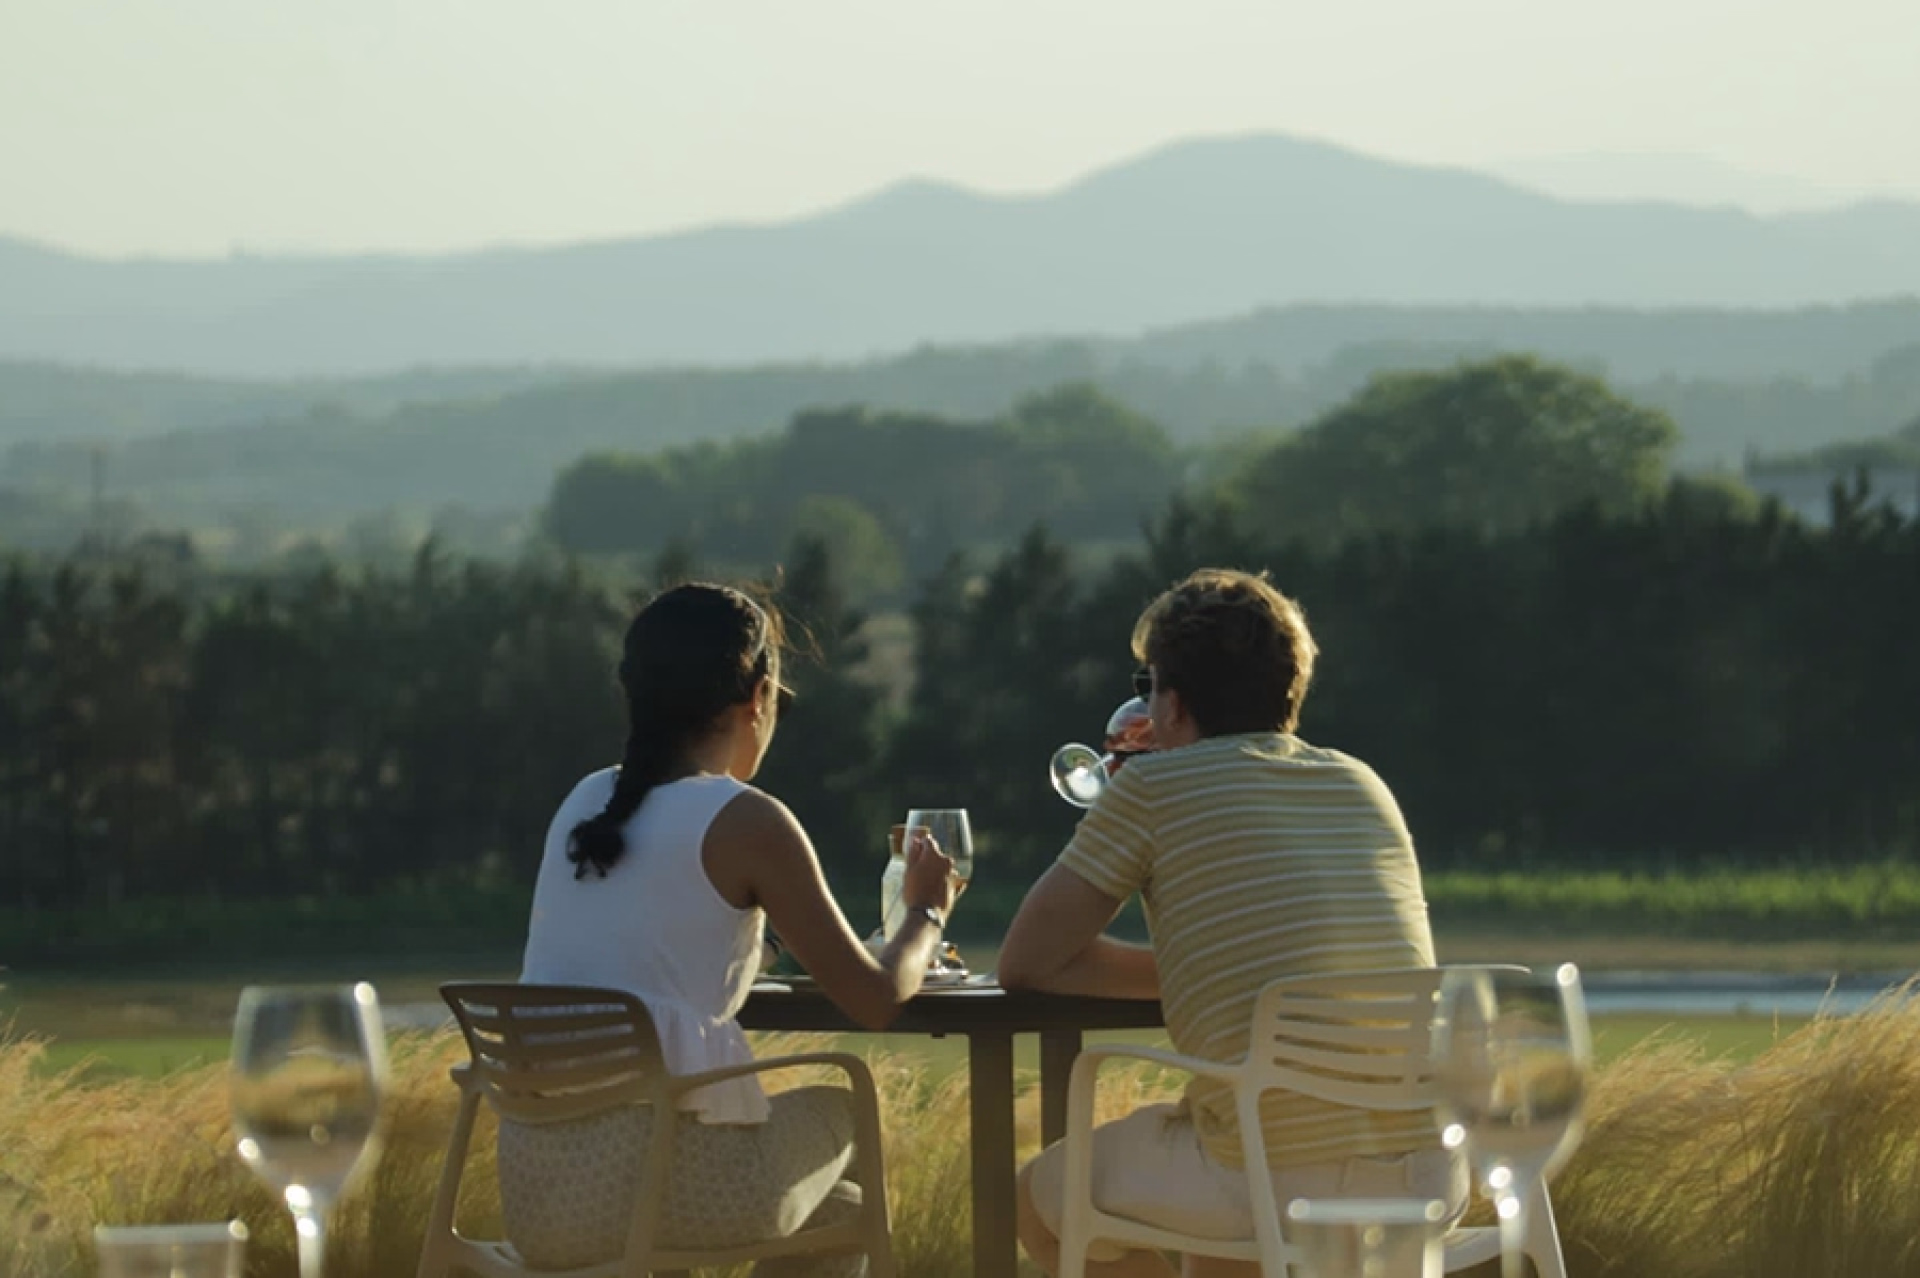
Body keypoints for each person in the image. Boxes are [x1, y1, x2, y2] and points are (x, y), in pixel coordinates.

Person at [999, 568, 1462, 1278]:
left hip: (1280, 1175)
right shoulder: (1360, 781)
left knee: (1032, 1203)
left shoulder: (1152, 787)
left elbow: (1026, 961)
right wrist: (1216, 979)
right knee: (1218, 1180)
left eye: (1146, 685)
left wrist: (1194, 981)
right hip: (1431, 1169)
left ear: (1171, 702)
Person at [504, 582, 957, 1276]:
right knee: (845, 1106)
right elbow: (874, 998)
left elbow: (651, 952)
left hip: (541, 1203)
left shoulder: (584, 802)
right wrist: (926, 908)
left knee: (837, 1213)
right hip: (670, 1194)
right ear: (760, 693)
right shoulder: (747, 820)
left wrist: (763, 947)